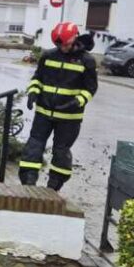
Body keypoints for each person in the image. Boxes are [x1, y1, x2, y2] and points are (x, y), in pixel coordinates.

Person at [18, 21, 98, 191]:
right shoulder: (48, 56)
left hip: (69, 118)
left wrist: (77, 101)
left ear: (75, 38)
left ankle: (53, 188)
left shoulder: (87, 61)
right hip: (43, 113)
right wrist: (33, 92)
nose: (63, 48)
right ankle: (28, 184)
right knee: (33, 147)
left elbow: (91, 88)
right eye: (59, 45)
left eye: (66, 44)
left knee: (61, 152)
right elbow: (38, 78)